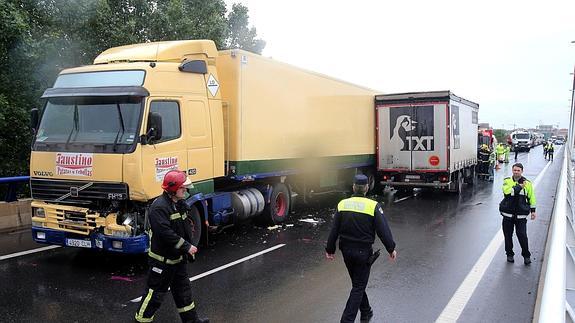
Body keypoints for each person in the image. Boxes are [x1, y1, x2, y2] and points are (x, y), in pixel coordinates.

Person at [135, 170, 209, 323]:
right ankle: (141, 321)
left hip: (177, 261)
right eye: (183, 188)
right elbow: (165, 234)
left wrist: (188, 249)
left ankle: (192, 321)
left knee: (184, 294)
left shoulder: (178, 204)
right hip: (162, 263)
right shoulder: (159, 207)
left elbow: (184, 228)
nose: (186, 190)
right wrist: (187, 247)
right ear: (173, 189)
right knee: (154, 296)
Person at [325, 174, 397, 323]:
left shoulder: (342, 204)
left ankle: (366, 312)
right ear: (366, 188)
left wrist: (329, 249)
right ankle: (347, 320)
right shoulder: (373, 206)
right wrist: (391, 249)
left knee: (358, 284)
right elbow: (383, 230)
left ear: (353, 187)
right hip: (363, 253)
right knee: (358, 286)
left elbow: (334, 230)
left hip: (346, 252)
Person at [499, 163, 536, 265]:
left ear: (522, 171)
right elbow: (507, 192)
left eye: (518, 170)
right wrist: (519, 187)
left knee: (522, 236)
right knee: (508, 236)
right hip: (507, 215)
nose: (516, 172)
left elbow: (531, 197)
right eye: (514, 170)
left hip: (521, 216)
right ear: (512, 170)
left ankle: (526, 256)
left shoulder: (527, 183)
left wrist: (533, 211)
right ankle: (509, 254)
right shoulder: (507, 181)